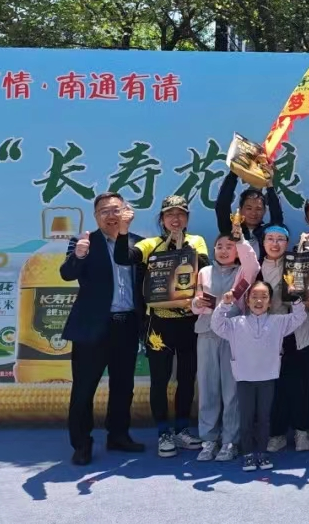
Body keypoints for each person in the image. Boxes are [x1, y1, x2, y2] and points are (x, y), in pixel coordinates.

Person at [114, 194, 210, 458]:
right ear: (162, 219)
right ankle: (163, 432)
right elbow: (123, 257)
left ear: (187, 219)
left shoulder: (197, 241)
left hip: (189, 322)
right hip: (158, 323)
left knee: (187, 378)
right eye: (170, 214)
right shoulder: (149, 244)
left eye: (180, 214)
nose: (175, 219)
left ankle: (182, 429)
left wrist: (181, 247)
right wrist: (123, 229)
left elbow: (203, 267)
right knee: (159, 379)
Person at [60, 192, 147, 465]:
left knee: (123, 386)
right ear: (96, 217)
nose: (111, 215)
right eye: (104, 211)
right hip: (92, 328)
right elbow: (67, 273)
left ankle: (118, 435)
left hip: (126, 325)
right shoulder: (84, 242)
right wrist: (78, 255)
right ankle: (81, 444)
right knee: (84, 389)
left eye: (115, 210)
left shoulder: (138, 243)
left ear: (126, 212)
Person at [210, 281, 308, 471]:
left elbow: (299, 317)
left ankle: (262, 453)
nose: (259, 301)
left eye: (264, 297)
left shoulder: (278, 322)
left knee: (264, 418)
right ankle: (248, 454)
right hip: (244, 378)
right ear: (247, 301)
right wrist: (225, 304)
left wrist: (295, 298)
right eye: (254, 296)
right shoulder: (235, 323)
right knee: (246, 419)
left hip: (267, 377)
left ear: (270, 302)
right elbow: (216, 324)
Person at [190, 221, 260, 462]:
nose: (223, 250)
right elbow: (195, 301)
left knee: (232, 391)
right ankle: (209, 439)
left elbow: (253, 264)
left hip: (234, 335)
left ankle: (230, 440)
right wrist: (196, 304)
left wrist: (241, 240)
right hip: (207, 333)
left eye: (229, 246)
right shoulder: (204, 272)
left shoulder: (243, 272)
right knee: (208, 387)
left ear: (237, 251)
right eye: (219, 246)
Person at [263, 227, 309, 454]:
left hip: (303, 334)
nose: (275, 244)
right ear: (263, 243)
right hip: (273, 337)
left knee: (304, 386)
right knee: (277, 388)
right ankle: (277, 433)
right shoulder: (258, 268)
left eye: (280, 239)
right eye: (270, 239)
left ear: (287, 243)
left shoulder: (300, 262)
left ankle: (302, 431)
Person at [214, 171, 284, 259]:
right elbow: (222, 205)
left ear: (265, 211)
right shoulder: (230, 229)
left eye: (258, 209)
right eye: (249, 208)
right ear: (240, 209)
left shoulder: (268, 233)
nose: (253, 213)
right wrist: (234, 172)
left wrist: (269, 185)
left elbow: (277, 217)